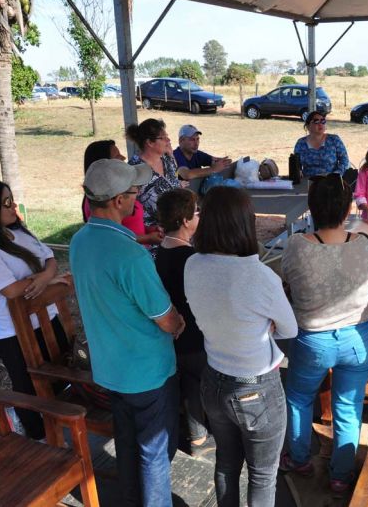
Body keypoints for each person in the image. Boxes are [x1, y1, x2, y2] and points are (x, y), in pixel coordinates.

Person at [70, 158, 185, 507]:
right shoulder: (130, 255)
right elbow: (165, 319)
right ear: (119, 200)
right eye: (134, 192)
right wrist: (179, 323)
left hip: (109, 368)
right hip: (146, 371)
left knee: (127, 443)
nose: (137, 199)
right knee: (154, 451)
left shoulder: (79, 241)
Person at [184, 186, 297, 507]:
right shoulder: (259, 276)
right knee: (262, 476)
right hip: (257, 387)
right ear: (245, 224)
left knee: (226, 464)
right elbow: (289, 327)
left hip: (214, 379)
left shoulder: (192, 265)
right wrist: (263, 324)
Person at [280, 174, 368, 493]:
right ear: (348, 207)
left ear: (311, 208)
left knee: (298, 398)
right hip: (361, 337)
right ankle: (341, 473)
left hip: (314, 339)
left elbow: (287, 284)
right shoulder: (363, 242)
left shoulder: (298, 245)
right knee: (349, 405)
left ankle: (299, 459)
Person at [0, 178, 70, 440]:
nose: (14, 209)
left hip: (48, 320)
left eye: (12, 201)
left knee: (60, 384)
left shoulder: (18, 233)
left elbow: (50, 260)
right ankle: (39, 441)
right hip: (16, 334)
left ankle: (65, 438)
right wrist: (45, 278)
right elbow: (11, 291)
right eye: (6, 203)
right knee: (32, 394)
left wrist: (43, 278)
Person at [154, 188, 211, 457]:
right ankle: (211, 429)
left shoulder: (159, 253)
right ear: (186, 221)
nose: (199, 216)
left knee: (190, 382)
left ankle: (197, 436)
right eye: (196, 213)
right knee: (202, 379)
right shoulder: (191, 259)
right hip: (195, 339)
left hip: (173, 340)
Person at [81, 140, 162, 246]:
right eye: (117, 156)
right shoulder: (98, 201)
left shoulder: (118, 192)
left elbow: (129, 227)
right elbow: (108, 239)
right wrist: (147, 238)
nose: (123, 158)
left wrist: (149, 230)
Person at [126, 118, 182, 227]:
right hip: (151, 234)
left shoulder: (168, 159)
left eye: (167, 136)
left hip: (176, 226)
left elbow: (175, 182)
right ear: (150, 142)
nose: (168, 140)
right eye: (163, 138)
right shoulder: (134, 169)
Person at [293, 111, 350, 177]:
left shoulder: (334, 139)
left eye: (323, 121)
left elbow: (344, 160)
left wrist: (336, 174)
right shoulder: (301, 143)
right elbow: (296, 165)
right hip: (308, 182)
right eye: (316, 121)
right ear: (308, 126)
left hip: (331, 182)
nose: (320, 124)